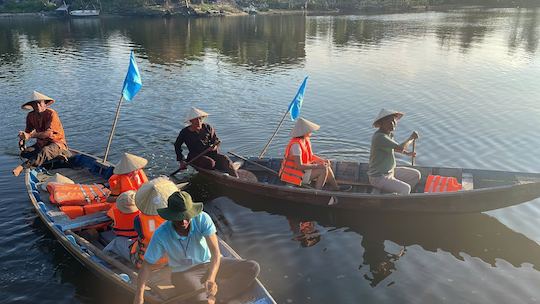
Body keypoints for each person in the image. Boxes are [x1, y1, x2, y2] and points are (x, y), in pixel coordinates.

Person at [133, 191, 260, 304]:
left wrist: (211, 278)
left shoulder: (202, 218)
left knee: (252, 267)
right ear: (171, 216)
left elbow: (215, 252)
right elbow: (146, 266)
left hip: (209, 263)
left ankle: (220, 296)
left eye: (186, 216)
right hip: (184, 272)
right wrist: (139, 296)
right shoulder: (161, 233)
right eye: (178, 218)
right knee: (202, 301)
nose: (183, 222)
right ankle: (211, 297)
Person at [279, 117, 347, 190]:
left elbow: (310, 156)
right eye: (309, 130)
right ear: (304, 132)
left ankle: (336, 188)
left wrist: (322, 161)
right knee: (323, 170)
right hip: (294, 175)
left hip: (302, 170)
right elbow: (299, 166)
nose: (311, 132)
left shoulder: (305, 140)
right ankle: (317, 192)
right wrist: (318, 165)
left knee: (326, 166)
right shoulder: (296, 146)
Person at [12, 91, 69, 176]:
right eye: (35, 104)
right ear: (32, 106)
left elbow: (48, 134)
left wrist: (30, 135)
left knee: (45, 151)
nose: (37, 106)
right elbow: (28, 131)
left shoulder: (51, 114)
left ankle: (22, 167)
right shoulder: (30, 116)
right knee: (24, 153)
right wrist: (22, 139)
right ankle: (55, 156)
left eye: (39, 103)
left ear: (45, 104)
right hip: (41, 144)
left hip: (56, 143)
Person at [367, 109, 420, 194]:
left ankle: (398, 195)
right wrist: (411, 138)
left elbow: (394, 148)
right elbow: (400, 148)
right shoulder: (380, 137)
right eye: (388, 122)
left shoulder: (389, 134)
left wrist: (407, 153)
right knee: (406, 189)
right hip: (379, 177)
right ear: (381, 124)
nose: (392, 124)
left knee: (416, 175)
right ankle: (399, 197)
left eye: (393, 121)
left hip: (390, 171)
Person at [174, 107, 238, 177]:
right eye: (195, 120)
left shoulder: (207, 127)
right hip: (195, 156)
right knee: (210, 163)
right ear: (191, 121)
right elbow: (177, 145)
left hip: (210, 153)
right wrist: (181, 161)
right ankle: (217, 174)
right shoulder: (185, 132)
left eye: (200, 119)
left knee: (225, 160)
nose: (198, 122)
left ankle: (236, 178)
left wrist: (214, 147)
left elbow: (216, 141)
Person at [103, 191, 140, 261]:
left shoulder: (114, 212)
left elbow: (109, 214)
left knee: (114, 244)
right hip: (140, 243)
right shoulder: (143, 214)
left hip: (133, 248)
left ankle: (105, 263)